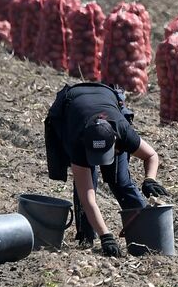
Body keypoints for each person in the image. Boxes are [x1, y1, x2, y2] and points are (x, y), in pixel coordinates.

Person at [43, 82, 170, 258]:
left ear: (115, 142)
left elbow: (151, 156)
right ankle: (86, 237)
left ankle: (144, 233)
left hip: (105, 97)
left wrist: (150, 179)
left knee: (121, 181)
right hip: (70, 106)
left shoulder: (123, 131)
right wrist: (106, 236)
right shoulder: (76, 143)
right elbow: (88, 199)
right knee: (87, 187)